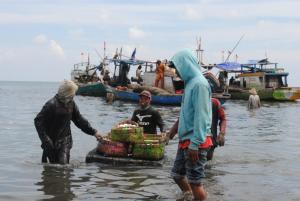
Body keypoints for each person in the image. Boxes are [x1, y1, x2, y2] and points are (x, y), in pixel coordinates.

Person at [168, 49, 212, 201]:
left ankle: (198, 197)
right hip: (185, 141)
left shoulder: (199, 84)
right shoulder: (189, 84)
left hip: (196, 142)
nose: (177, 72)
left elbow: (202, 116)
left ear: (186, 65)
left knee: (195, 182)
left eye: (178, 67)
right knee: (177, 175)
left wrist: (195, 144)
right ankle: (189, 197)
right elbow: (185, 113)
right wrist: (172, 132)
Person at [34, 80, 102, 164]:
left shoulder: (71, 104)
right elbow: (38, 121)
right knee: (51, 167)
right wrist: (45, 140)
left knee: (64, 168)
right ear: (67, 93)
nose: (74, 95)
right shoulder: (51, 104)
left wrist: (94, 132)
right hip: (50, 141)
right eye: (73, 93)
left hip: (66, 140)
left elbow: (79, 120)